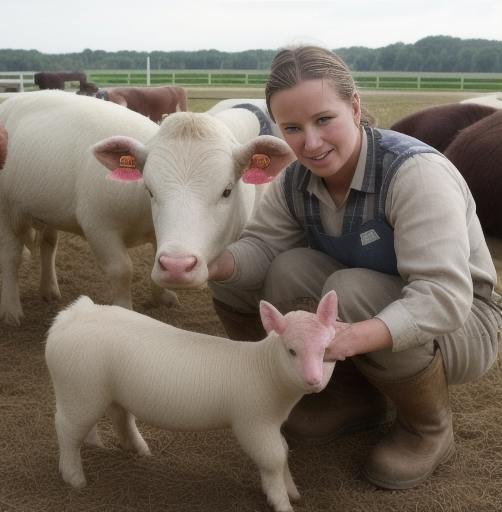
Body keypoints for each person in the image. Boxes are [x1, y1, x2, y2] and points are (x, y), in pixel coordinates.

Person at [207, 44, 502, 490]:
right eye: (292, 128)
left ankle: (428, 429)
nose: (311, 142)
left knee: (350, 289)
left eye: (324, 119)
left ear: (355, 106)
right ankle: (351, 400)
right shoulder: (295, 179)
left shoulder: (414, 173)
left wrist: (344, 339)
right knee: (287, 268)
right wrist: (211, 265)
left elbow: (444, 297)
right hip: (375, 301)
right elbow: (263, 248)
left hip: (464, 325)